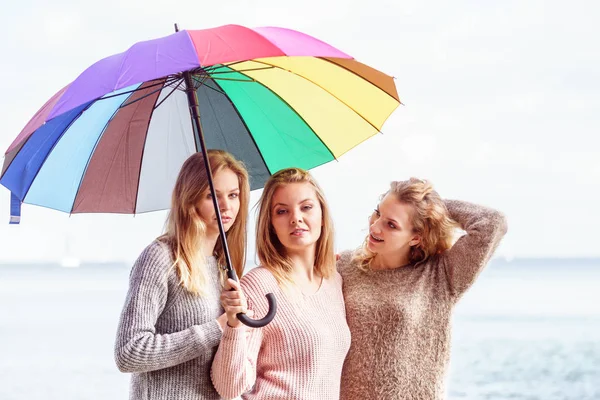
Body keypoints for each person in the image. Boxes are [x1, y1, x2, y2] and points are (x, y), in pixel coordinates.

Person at [338, 178, 508, 400]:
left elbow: (493, 223)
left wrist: (429, 207)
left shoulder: (441, 275)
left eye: (391, 224)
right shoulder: (343, 265)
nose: (375, 226)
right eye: (377, 213)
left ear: (416, 236)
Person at [114, 150, 250, 400]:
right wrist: (215, 329)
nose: (226, 206)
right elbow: (129, 352)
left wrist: (234, 326)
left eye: (233, 195)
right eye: (213, 196)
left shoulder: (222, 266)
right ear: (191, 199)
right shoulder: (161, 258)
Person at [211, 167, 351, 400]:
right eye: (282, 211)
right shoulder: (258, 284)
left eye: (306, 207)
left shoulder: (334, 281)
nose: (296, 218)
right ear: (271, 224)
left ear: (322, 215)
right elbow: (229, 387)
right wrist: (234, 326)